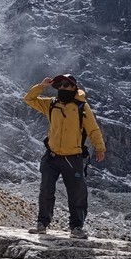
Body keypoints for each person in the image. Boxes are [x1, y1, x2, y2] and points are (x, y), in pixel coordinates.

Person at [24, 73, 106, 238]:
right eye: (59, 85)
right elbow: (29, 99)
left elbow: (93, 129)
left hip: (72, 157)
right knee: (46, 190)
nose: (62, 87)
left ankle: (76, 227)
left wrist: (100, 147)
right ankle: (42, 224)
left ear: (74, 87)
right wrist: (42, 86)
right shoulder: (51, 104)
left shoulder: (82, 107)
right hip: (52, 155)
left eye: (66, 85)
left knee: (77, 193)